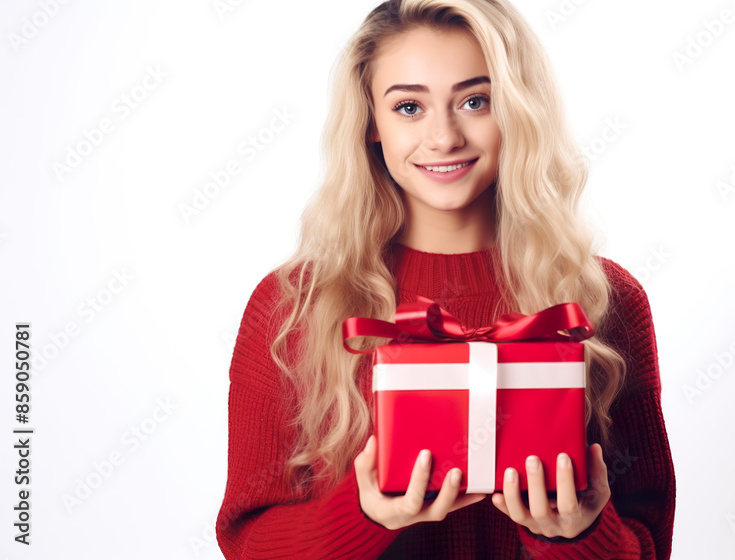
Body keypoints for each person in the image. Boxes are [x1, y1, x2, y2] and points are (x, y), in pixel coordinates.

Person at [215, 0, 676, 557]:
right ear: (371, 122)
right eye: (409, 107)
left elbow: (648, 544)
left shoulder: (601, 300)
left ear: (517, 110)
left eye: (475, 101)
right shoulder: (293, 305)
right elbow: (247, 543)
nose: (443, 137)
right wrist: (362, 517)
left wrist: (579, 535)